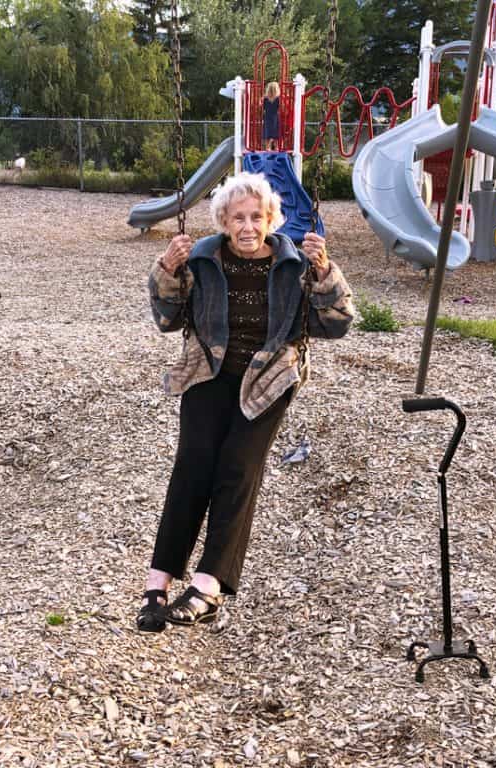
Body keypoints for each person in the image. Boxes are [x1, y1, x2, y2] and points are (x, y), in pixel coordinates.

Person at [137, 172, 354, 632]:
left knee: (237, 467)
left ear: (272, 219)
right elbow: (167, 319)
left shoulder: (297, 265)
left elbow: (336, 324)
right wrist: (167, 270)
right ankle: (157, 584)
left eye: (257, 216)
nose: (248, 226)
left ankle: (208, 586)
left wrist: (325, 273)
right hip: (208, 372)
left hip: (269, 377)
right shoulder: (201, 259)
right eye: (238, 217)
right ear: (224, 221)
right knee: (193, 465)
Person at [262, 81, 281, 151]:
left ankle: (268, 147)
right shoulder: (278, 99)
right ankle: (276, 147)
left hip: (267, 116)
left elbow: (262, 107)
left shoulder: (265, 99)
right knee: (276, 131)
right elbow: (281, 107)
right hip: (275, 116)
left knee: (267, 131)